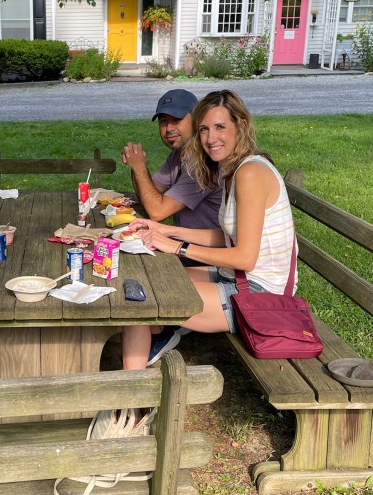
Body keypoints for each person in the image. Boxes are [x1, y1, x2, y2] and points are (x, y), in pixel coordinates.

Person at [121, 90, 296, 368]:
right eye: (204, 129)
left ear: (241, 125)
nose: (211, 138)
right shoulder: (231, 170)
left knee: (141, 300)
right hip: (238, 278)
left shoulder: (250, 173)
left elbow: (244, 258)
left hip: (261, 296)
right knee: (144, 281)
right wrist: (165, 230)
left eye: (220, 127)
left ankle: (133, 391)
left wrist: (178, 248)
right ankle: (154, 337)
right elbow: (225, 237)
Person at [121, 88, 222, 232]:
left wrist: (139, 167)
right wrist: (135, 162)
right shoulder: (178, 155)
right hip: (183, 240)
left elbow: (156, 212)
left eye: (176, 119)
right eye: (163, 121)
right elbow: (148, 197)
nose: (168, 128)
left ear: (196, 120)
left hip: (208, 246)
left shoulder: (204, 164)